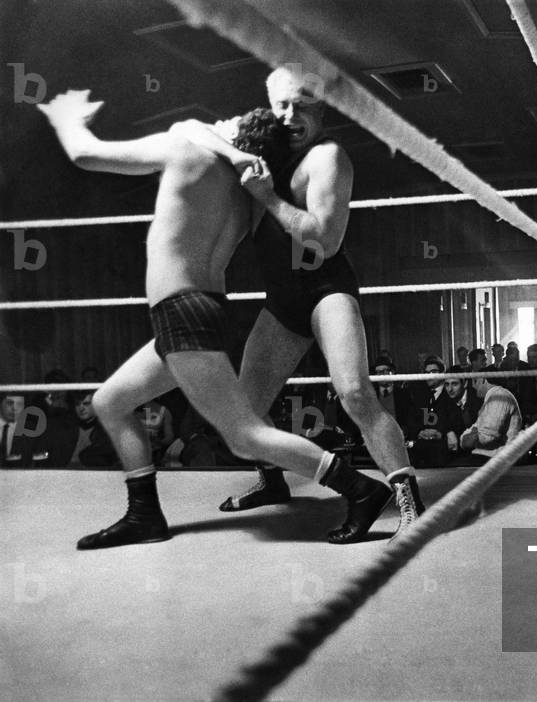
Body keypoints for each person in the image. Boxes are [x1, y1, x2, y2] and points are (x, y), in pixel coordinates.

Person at [38, 89, 385, 549]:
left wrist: (64, 116)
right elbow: (199, 130)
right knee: (111, 402)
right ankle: (144, 514)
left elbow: (86, 153)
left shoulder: (186, 148)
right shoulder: (245, 197)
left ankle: (361, 489)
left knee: (244, 436)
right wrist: (234, 151)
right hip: (200, 310)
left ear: (236, 134)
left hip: (182, 312)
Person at [192, 68, 424, 539]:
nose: (290, 115)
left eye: (302, 104)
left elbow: (325, 241)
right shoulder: (263, 153)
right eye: (281, 105)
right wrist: (233, 151)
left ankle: (408, 498)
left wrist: (266, 196)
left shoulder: (328, 157)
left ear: (322, 108)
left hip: (326, 290)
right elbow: (190, 131)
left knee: (355, 392)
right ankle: (272, 482)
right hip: (281, 299)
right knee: (244, 410)